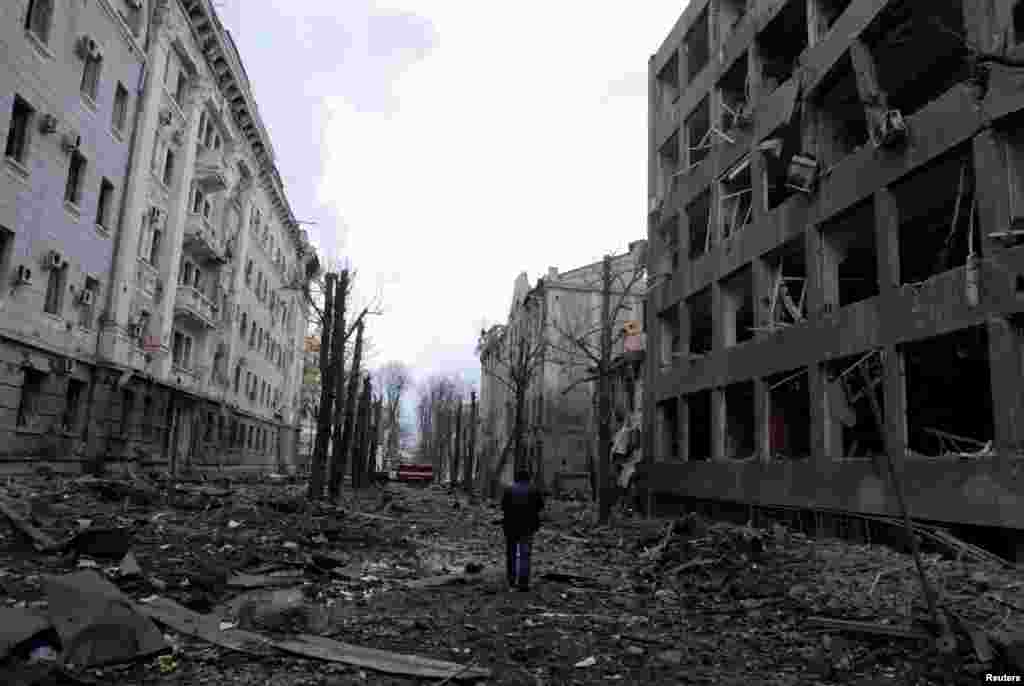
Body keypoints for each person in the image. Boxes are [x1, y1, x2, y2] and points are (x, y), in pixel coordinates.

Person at [501, 468, 544, 591]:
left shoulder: (509, 489)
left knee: (511, 554)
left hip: (510, 526)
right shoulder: (534, 490)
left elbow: (503, 507)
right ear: (528, 478)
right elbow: (540, 507)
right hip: (528, 526)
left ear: (516, 478)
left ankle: (511, 581)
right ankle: (524, 582)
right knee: (525, 554)